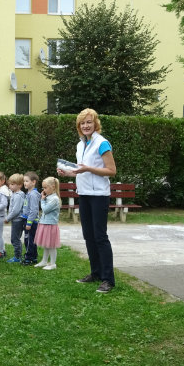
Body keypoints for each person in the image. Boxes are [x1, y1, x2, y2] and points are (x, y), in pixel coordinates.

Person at [57, 108, 117, 293]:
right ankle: (95, 273)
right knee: (88, 236)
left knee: (100, 236)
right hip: (83, 193)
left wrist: (88, 169)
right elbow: (81, 170)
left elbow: (111, 171)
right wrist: (67, 172)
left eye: (89, 122)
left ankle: (108, 279)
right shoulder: (80, 144)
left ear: (95, 123)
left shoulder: (102, 143)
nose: (85, 126)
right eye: (82, 123)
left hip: (99, 195)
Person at [35, 176, 62, 270]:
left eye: (45, 188)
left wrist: (42, 200)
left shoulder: (54, 199)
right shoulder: (48, 197)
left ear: (53, 187)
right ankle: (44, 261)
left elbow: (45, 210)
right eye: (43, 188)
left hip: (50, 224)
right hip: (44, 223)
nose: (44, 190)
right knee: (46, 244)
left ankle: (53, 263)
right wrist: (44, 199)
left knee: (51, 245)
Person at [21, 171, 41, 265]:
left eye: (27, 181)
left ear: (33, 182)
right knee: (29, 239)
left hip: (31, 221)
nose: (24, 183)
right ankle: (33, 256)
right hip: (26, 219)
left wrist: (29, 222)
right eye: (24, 181)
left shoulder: (33, 194)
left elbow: (34, 210)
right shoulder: (29, 193)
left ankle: (29, 258)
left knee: (29, 240)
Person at [5, 173, 26, 263]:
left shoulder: (18, 196)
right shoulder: (14, 193)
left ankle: (18, 257)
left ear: (20, 185)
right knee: (15, 238)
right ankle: (18, 255)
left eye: (13, 184)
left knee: (15, 238)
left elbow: (16, 210)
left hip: (18, 220)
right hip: (16, 220)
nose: (10, 186)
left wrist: (8, 218)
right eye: (10, 184)